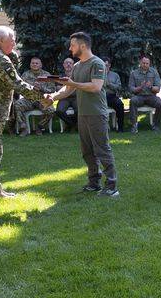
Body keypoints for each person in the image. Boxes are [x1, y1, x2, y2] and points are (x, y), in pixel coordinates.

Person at [0, 26, 50, 199]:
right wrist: (42, 96)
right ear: (0, 41)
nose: (15, 43)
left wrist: (12, 54)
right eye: (12, 40)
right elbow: (18, 84)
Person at [50, 32, 119, 197]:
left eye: (72, 45)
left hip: (96, 114)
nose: (70, 48)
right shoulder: (76, 66)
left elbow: (95, 87)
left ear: (82, 46)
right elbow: (68, 89)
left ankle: (111, 186)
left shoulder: (97, 63)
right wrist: (52, 97)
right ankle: (94, 183)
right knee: (87, 151)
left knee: (102, 150)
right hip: (83, 115)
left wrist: (72, 83)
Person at [14, 57, 56, 135]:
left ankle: (40, 127)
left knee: (51, 110)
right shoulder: (25, 75)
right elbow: (20, 88)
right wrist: (30, 88)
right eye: (33, 63)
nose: (34, 65)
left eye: (37, 63)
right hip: (29, 99)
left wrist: (41, 88)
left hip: (42, 99)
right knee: (17, 104)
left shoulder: (46, 75)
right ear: (30, 65)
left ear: (41, 65)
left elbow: (52, 89)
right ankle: (24, 128)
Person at [128, 56, 161, 132]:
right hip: (139, 96)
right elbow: (131, 89)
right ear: (140, 63)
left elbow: (157, 89)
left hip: (151, 96)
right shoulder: (134, 73)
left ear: (149, 64)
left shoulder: (154, 72)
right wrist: (139, 88)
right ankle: (134, 125)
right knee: (132, 101)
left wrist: (150, 87)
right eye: (143, 63)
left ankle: (156, 125)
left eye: (147, 63)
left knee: (160, 104)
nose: (145, 65)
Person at [103, 58, 126, 132]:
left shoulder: (115, 75)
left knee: (119, 104)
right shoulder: (96, 74)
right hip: (99, 96)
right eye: (102, 65)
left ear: (109, 65)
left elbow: (118, 87)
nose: (104, 67)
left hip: (111, 96)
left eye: (106, 65)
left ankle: (120, 127)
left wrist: (109, 84)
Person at [55, 57, 78, 131]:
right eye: (66, 63)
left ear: (73, 65)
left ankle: (72, 124)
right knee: (59, 111)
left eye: (70, 63)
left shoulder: (77, 75)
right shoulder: (60, 76)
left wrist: (67, 85)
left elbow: (80, 87)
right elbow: (58, 89)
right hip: (64, 98)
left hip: (76, 97)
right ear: (64, 65)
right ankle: (72, 124)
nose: (68, 64)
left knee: (80, 110)